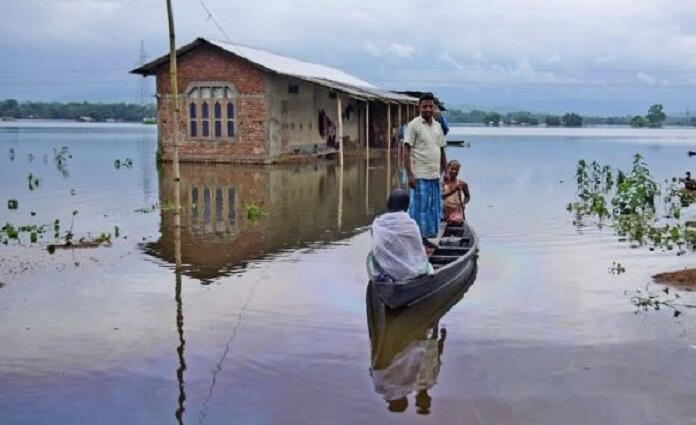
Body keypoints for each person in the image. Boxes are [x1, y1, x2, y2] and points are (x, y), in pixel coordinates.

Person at [404, 93, 447, 242]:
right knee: (418, 209)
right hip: (419, 175)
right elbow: (406, 149)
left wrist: (445, 171)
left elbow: (441, 149)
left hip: (434, 175)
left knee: (432, 209)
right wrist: (409, 174)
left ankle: (426, 239)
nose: (428, 109)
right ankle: (417, 239)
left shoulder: (438, 126)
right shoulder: (413, 125)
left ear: (434, 107)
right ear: (419, 107)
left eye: (430, 106)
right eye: (425, 106)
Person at [368, 189, 433, 282]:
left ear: (388, 204)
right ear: (406, 206)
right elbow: (418, 250)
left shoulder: (378, 223)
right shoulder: (411, 224)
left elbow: (376, 245)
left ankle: (387, 278)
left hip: (384, 268)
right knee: (424, 264)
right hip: (409, 271)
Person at [441, 160, 470, 225]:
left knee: (457, 220)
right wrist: (454, 190)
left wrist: (463, 203)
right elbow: (441, 197)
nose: (454, 171)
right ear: (447, 169)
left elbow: (467, 196)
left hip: (456, 212)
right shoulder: (442, 183)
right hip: (444, 211)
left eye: (456, 170)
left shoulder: (462, 184)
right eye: (452, 169)